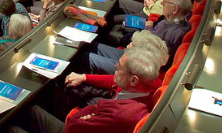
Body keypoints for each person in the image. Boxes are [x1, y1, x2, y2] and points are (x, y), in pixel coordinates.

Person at [11, 46, 160, 133]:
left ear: (133, 80)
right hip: (94, 119)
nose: (115, 67)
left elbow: (73, 125)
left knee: (27, 114)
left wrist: (89, 112)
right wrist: (85, 77)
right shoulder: (142, 90)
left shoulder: (122, 114)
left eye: (119, 67)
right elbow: (114, 83)